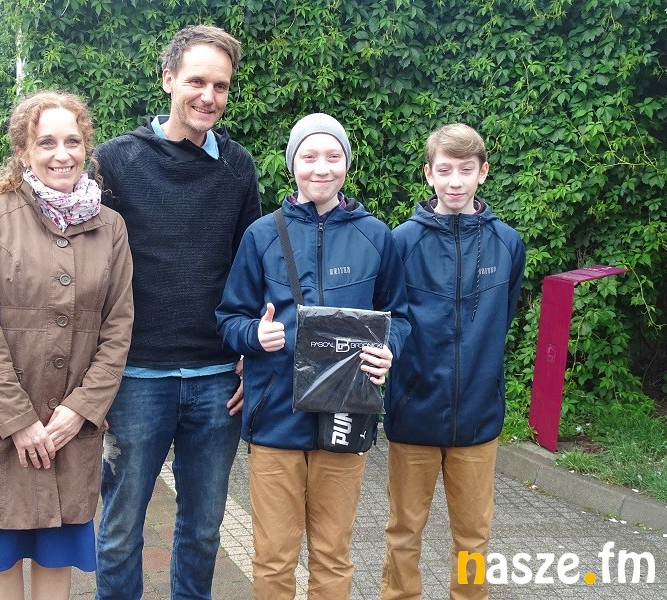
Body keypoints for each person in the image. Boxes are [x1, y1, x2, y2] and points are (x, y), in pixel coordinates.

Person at [0, 90, 134, 600]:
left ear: (86, 148)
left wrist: (82, 408)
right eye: (46, 142)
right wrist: (19, 420)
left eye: (73, 141)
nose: (61, 154)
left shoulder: (110, 227)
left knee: (56, 562)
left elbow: (118, 327)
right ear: (23, 151)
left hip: (68, 433)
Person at [91, 25, 261, 600]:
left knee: (203, 532)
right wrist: (92, 379)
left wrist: (249, 357)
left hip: (217, 380)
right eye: (196, 81)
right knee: (120, 531)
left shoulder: (238, 167)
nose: (208, 96)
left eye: (221, 86)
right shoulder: (115, 161)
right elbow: (88, 272)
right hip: (135, 376)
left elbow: (251, 269)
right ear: (168, 80)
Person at [216, 113, 411, 600]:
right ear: (292, 164)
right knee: (274, 558)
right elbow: (229, 318)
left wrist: (388, 350)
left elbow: (400, 316)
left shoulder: (376, 236)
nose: (321, 167)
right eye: (309, 156)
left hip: (346, 416)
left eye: (333, 156)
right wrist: (254, 335)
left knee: (332, 555)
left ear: (346, 162)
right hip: (275, 417)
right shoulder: (262, 235)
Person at [380, 123, 526, 600]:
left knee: (473, 537)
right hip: (413, 412)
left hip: (479, 416)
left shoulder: (508, 243)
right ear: (428, 174)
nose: (455, 181)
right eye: (444, 170)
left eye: (466, 170)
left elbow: (501, 317)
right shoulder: (401, 242)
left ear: (483, 172)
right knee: (403, 531)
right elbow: (391, 320)